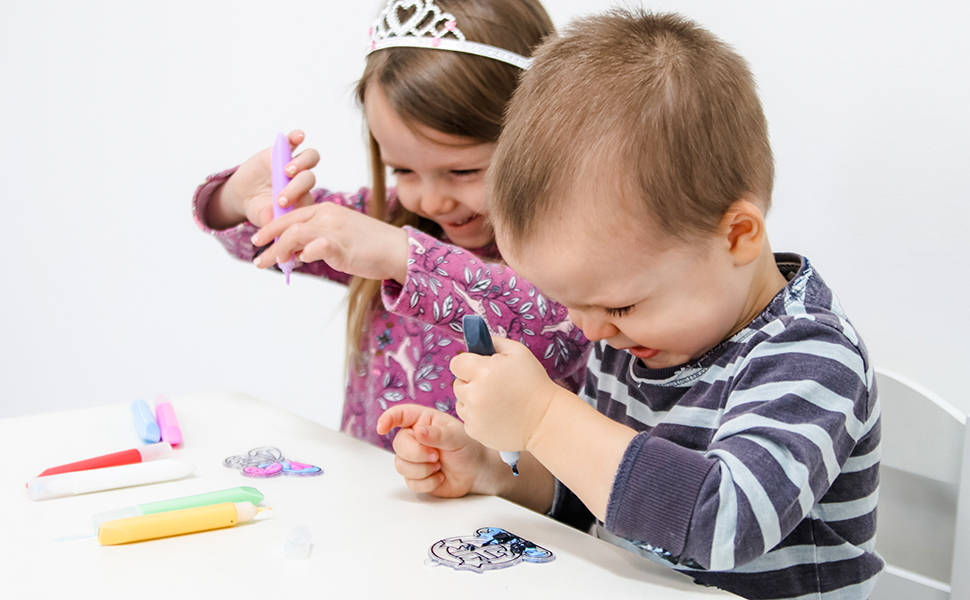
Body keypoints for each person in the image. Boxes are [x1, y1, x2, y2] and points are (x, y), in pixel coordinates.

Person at [378, 9, 882, 599]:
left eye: (616, 307)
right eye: (569, 303)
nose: (591, 331)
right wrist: (495, 472)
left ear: (737, 236)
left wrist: (544, 416)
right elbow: (594, 498)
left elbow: (721, 522)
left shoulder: (811, 357)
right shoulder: (632, 340)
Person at [192, 0, 588, 451]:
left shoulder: (574, 248)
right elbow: (258, 243)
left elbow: (560, 337)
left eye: (463, 171)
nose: (430, 200)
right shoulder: (389, 217)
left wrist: (404, 256)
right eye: (403, 170)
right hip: (375, 489)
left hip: (505, 495)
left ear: (542, 137)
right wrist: (242, 200)